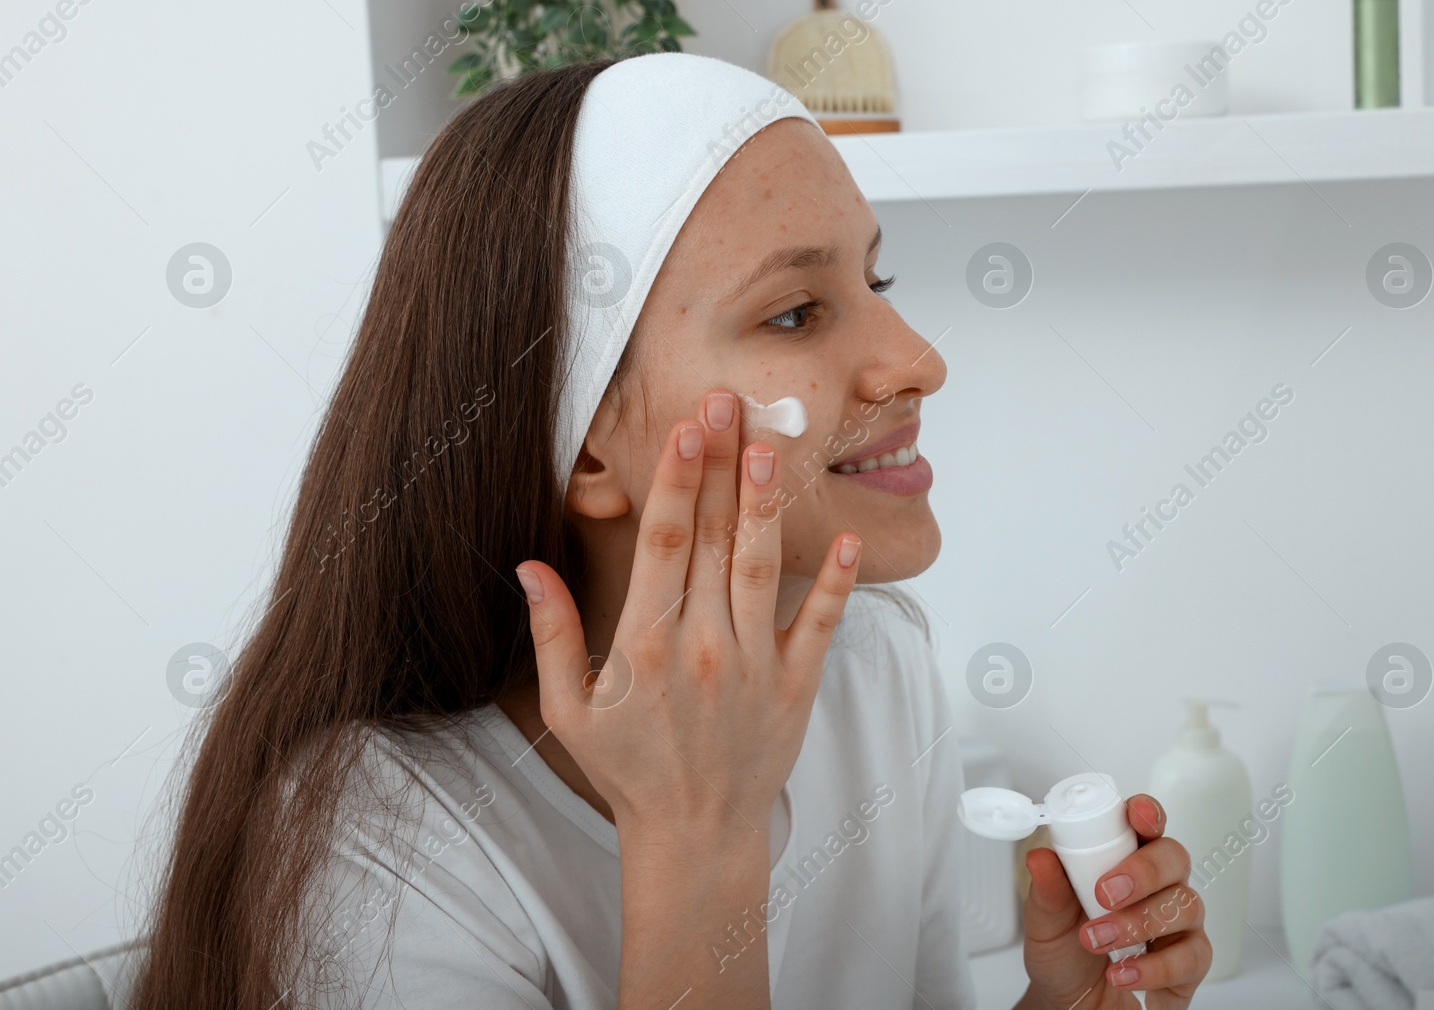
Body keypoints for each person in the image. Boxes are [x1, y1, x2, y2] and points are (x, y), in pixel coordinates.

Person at [129, 52, 1211, 1010]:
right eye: (794, 312)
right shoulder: (375, 852)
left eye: (874, 278)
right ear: (588, 442)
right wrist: (696, 835)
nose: (919, 358)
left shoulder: (874, 669)